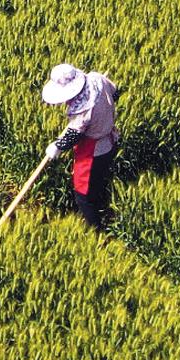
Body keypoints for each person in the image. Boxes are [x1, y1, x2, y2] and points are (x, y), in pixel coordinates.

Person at [42, 63, 119, 233]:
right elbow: (115, 93)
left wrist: (57, 146)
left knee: (82, 195)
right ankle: (100, 206)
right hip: (111, 139)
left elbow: (73, 135)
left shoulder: (83, 110)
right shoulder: (97, 78)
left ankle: (95, 231)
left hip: (94, 150)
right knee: (97, 182)